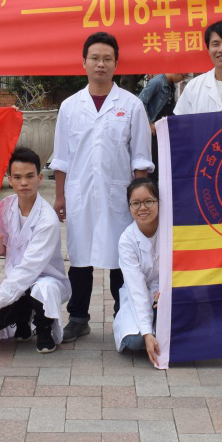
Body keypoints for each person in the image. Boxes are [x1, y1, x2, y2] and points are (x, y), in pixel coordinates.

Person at [51, 32, 153, 343]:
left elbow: (140, 158)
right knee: (80, 257)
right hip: (80, 194)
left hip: (119, 195)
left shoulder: (132, 105)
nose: (101, 64)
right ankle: (78, 318)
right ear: (83, 62)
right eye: (95, 58)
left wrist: (139, 199)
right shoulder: (70, 106)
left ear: (116, 64)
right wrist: (59, 196)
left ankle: (126, 317)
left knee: (122, 258)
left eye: (107, 59)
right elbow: (61, 157)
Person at [0, 147, 69, 354]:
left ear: (39, 178)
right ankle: (22, 319)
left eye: (30, 176)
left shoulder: (47, 220)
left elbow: (30, 267)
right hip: (18, 278)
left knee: (42, 289)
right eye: (18, 177)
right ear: (9, 180)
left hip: (45, 279)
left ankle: (44, 328)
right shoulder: (5, 206)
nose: (24, 183)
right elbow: (11, 244)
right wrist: (1, 249)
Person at [114, 178, 161, 366]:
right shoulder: (127, 240)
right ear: (129, 206)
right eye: (136, 203)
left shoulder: (171, 230)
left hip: (166, 293)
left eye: (149, 201)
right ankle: (152, 332)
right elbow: (137, 288)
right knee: (135, 341)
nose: (142, 208)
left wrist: (168, 290)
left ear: (158, 202)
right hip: (138, 294)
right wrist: (147, 333)